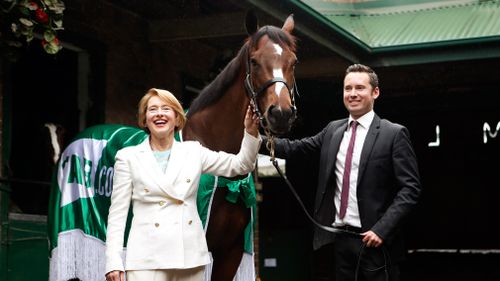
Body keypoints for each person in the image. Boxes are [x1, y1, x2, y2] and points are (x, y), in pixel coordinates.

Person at [261, 64, 421, 281]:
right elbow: (296, 148)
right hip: (340, 242)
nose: (352, 94)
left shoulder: (394, 134)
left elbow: (410, 189)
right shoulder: (333, 131)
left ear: (375, 92)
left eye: (360, 88)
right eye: (348, 89)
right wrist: (254, 140)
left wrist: (382, 230)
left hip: (376, 242)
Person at [105, 88, 261, 281]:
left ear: (177, 118)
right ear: (144, 119)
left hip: (189, 259)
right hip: (146, 260)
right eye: (152, 109)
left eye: (166, 108)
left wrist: (251, 132)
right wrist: (113, 260)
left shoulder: (194, 151)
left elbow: (241, 165)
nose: (159, 113)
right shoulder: (127, 157)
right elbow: (117, 215)